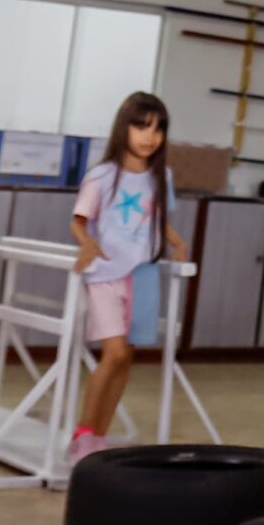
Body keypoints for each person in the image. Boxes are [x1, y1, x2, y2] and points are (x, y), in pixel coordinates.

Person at [68, 91, 189, 464]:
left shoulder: (161, 176)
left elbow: (157, 219)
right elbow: (78, 221)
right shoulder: (101, 175)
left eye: (158, 129)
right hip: (106, 273)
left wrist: (177, 242)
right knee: (114, 352)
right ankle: (82, 433)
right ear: (124, 128)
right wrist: (87, 244)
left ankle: (99, 437)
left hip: (145, 274)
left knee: (126, 359)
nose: (150, 137)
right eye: (141, 126)